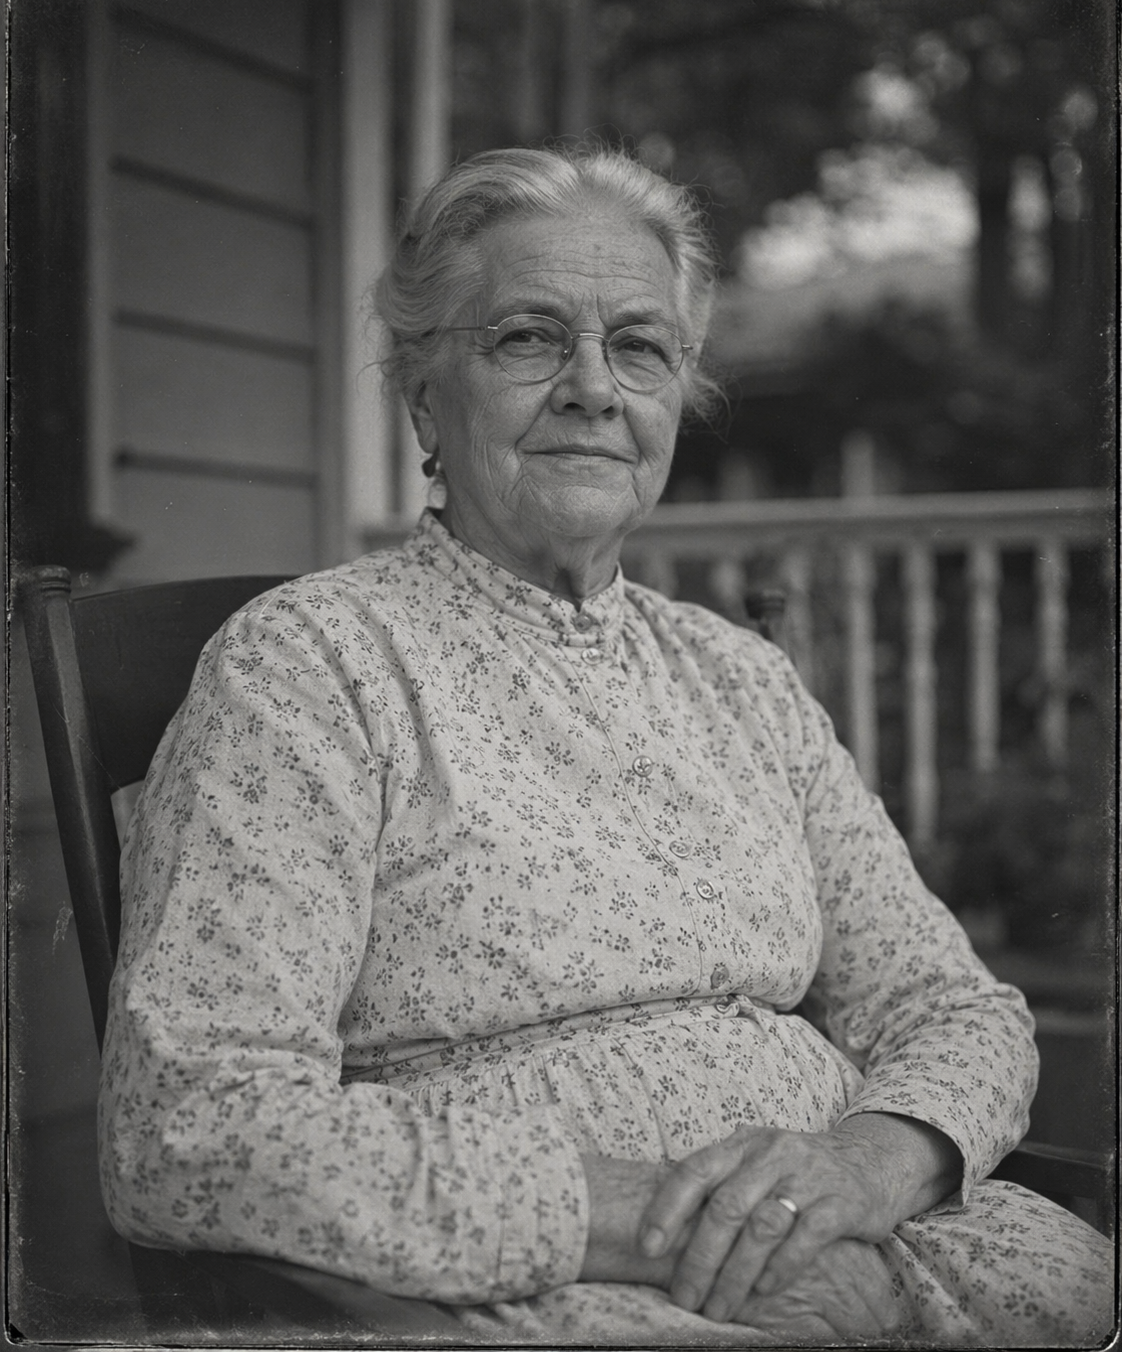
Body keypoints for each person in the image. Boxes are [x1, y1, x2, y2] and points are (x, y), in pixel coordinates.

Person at [99, 146, 1112, 1346]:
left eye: (638, 346)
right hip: (526, 1282)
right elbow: (192, 1118)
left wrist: (868, 1169)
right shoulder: (312, 667)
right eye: (529, 337)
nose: (593, 386)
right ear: (426, 395)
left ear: (676, 398)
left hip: (877, 1239)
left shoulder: (739, 678)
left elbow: (953, 1008)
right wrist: (655, 1223)